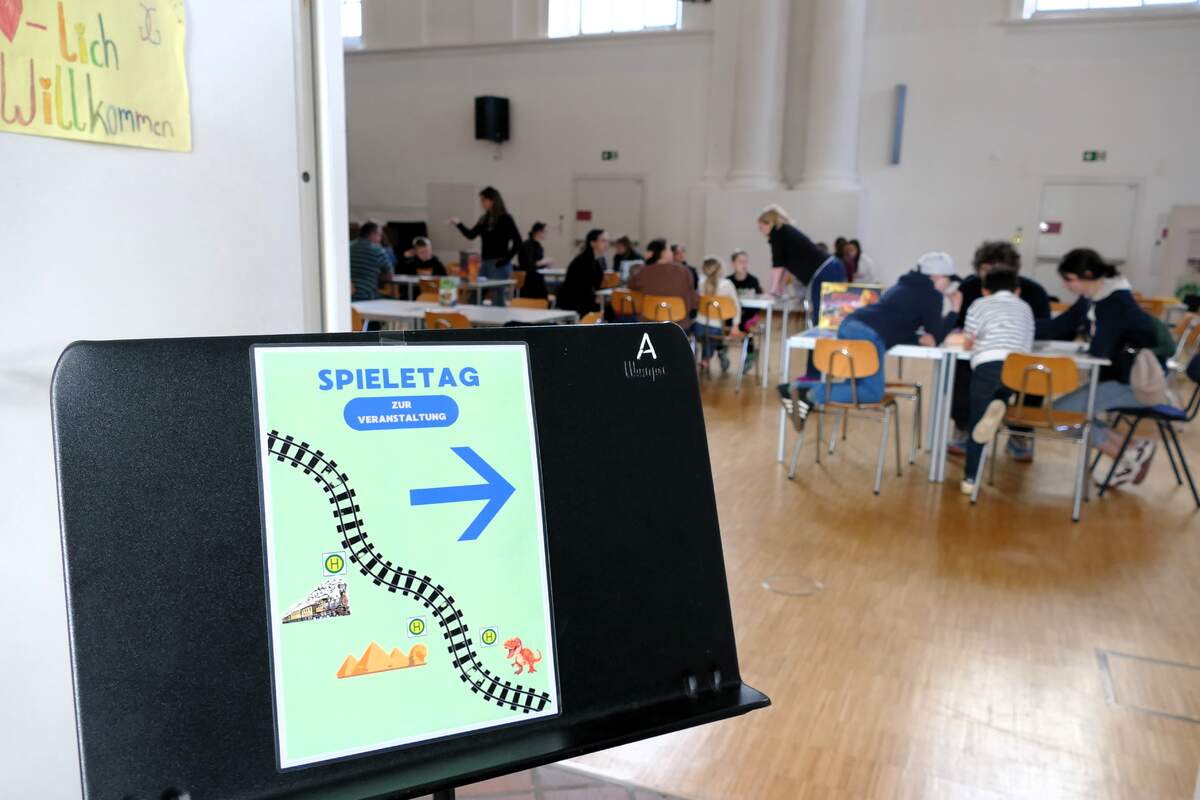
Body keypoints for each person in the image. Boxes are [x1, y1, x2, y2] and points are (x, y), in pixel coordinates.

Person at [989, 248, 1159, 487]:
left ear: (1087, 275)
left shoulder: (1115, 301)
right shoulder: (1093, 298)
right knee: (1065, 415)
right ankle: (1133, 451)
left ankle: (1130, 454)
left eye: (1069, 279)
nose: (1065, 285)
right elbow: (1059, 326)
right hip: (1115, 377)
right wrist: (1016, 325)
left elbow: (1101, 349)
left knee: (1061, 416)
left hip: (1134, 383)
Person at [779, 251, 963, 425]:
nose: (948, 287)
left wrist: (916, 339)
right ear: (936, 277)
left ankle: (797, 389)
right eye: (948, 281)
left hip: (850, 325)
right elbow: (935, 338)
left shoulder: (904, 284)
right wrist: (955, 309)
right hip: (868, 335)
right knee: (872, 393)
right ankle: (806, 393)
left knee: (854, 387)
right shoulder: (931, 295)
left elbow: (897, 324)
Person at [948, 241, 1051, 460]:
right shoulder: (969, 288)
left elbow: (1043, 327)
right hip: (979, 356)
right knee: (961, 370)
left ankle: (1020, 433)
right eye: (985, 269)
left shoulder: (1034, 292)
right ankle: (964, 426)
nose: (990, 274)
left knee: (1033, 376)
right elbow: (959, 323)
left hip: (1020, 355)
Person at [959, 268, 1035, 496]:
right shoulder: (1025, 307)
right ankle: (1000, 403)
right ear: (1017, 291)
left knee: (976, 421)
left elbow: (968, 343)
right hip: (1017, 369)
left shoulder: (979, 304)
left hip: (988, 365)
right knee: (1001, 393)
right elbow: (1028, 343)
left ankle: (970, 479)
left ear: (984, 291)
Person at [758, 205, 847, 328]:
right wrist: (779, 289)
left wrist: (773, 291)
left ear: (768, 222)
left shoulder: (777, 233)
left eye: (761, 226)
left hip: (824, 270)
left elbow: (777, 265)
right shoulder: (784, 231)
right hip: (830, 268)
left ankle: (821, 340)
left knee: (824, 316)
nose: (760, 230)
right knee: (828, 315)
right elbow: (785, 267)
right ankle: (824, 339)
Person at [449, 186, 522, 306]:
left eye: (484, 200)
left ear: (492, 200)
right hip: (485, 262)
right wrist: (458, 223)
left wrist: (506, 260)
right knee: (475, 294)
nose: (482, 203)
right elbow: (471, 235)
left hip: (499, 264)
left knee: (497, 297)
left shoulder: (506, 218)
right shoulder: (484, 219)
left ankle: (498, 318)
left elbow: (518, 242)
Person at [629, 238, 699, 330]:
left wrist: (647, 262)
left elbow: (631, 286)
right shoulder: (684, 271)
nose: (671, 252)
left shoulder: (643, 271)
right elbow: (693, 301)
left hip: (649, 323)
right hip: (679, 325)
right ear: (663, 253)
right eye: (669, 249)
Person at [695, 256, 742, 374]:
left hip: (698, 326)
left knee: (705, 336)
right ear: (720, 269)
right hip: (716, 329)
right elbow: (736, 306)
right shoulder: (728, 284)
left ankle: (703, 358)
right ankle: (708, 357)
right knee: (714, 336)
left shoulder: (700, 283)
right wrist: (735, 325)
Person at [557, 228, 608, 315]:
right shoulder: (583, 261)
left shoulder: (597, 261)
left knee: (609, 309)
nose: (606, 244)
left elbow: (597, 285)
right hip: (574, 301)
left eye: (607, 241)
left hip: (584, 300)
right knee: (608, 312)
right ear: (592, 243)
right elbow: (581, 287)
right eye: (603, 241)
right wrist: (595, 298)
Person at [728, 250, 763, 370]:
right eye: (740, 262)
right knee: (718, 325)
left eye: (746, 262)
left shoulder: (753, 281)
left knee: (743, 324)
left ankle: (750, 354)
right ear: (733, 264)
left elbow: (758, 303)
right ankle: (721, 350)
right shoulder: (728, 281)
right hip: (732, 314)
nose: (744, 265)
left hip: (749, 314)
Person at [350, 221, 394, 301]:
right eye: (379, 235)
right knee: (393, 301)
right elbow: (389, 276)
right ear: (373, 234)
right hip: (367, 295)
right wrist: (376, 276)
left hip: (347, 296)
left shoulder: (348, 247)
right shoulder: (377, 250)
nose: (380, 239)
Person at [517, 222, 551, 300]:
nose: (545, 234)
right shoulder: (528, 245)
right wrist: (543, 262)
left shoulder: (538, 246)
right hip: (529, 281)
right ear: (539, 232)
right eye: (544, 232)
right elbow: (529, 264)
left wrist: (545, 265)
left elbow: (537, 264)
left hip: (537, 279)